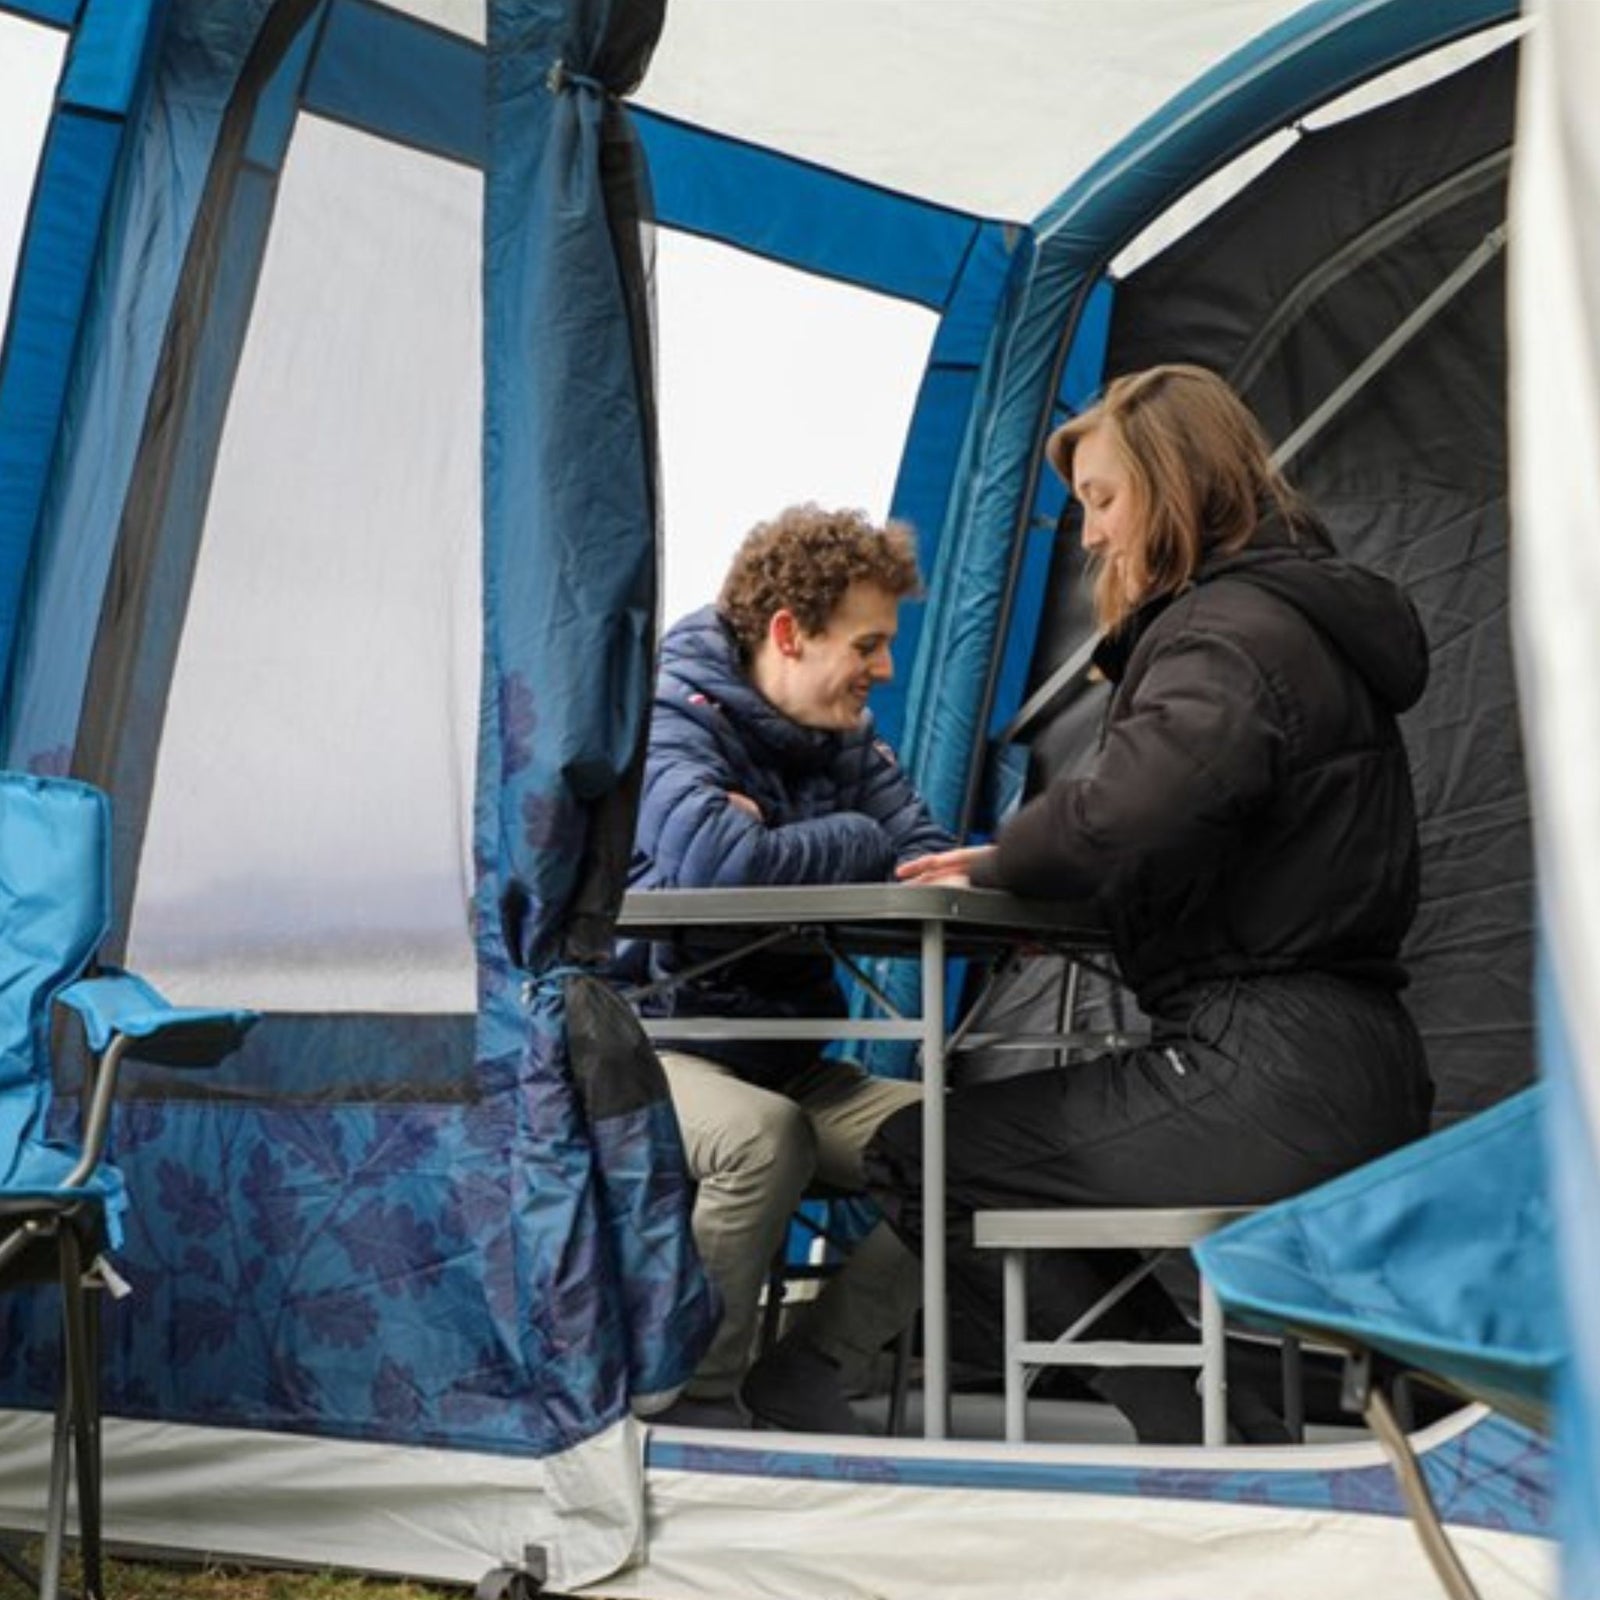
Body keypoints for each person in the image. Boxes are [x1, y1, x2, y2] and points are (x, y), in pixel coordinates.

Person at [877, 363, 1436, 1443]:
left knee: (923, 1153)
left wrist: (1000, 862)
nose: (1087, 537)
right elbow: (1224, 833)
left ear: (1176, 488)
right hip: (1359, 1060)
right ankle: (1226, 1422)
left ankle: (1200, 1434)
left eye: (1103, 499)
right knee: (990, 1149)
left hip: (1265, 1069)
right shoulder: (1294, 620)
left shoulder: (1224, 631)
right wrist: (1074, 900)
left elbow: (1128, 809)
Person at [625, 503, 953, 1431]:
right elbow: (720, 865)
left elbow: (924, 860)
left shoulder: (841, 737)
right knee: (765, 1138)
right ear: (788, 634)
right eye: (870, 644)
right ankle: (692, 1400)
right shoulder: (666, 713)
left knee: (979, 1147)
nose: (884, 670)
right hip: (652, 1046)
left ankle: (810, 1366)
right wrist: (851, 837)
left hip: (789, 1056)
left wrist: (785, 834)